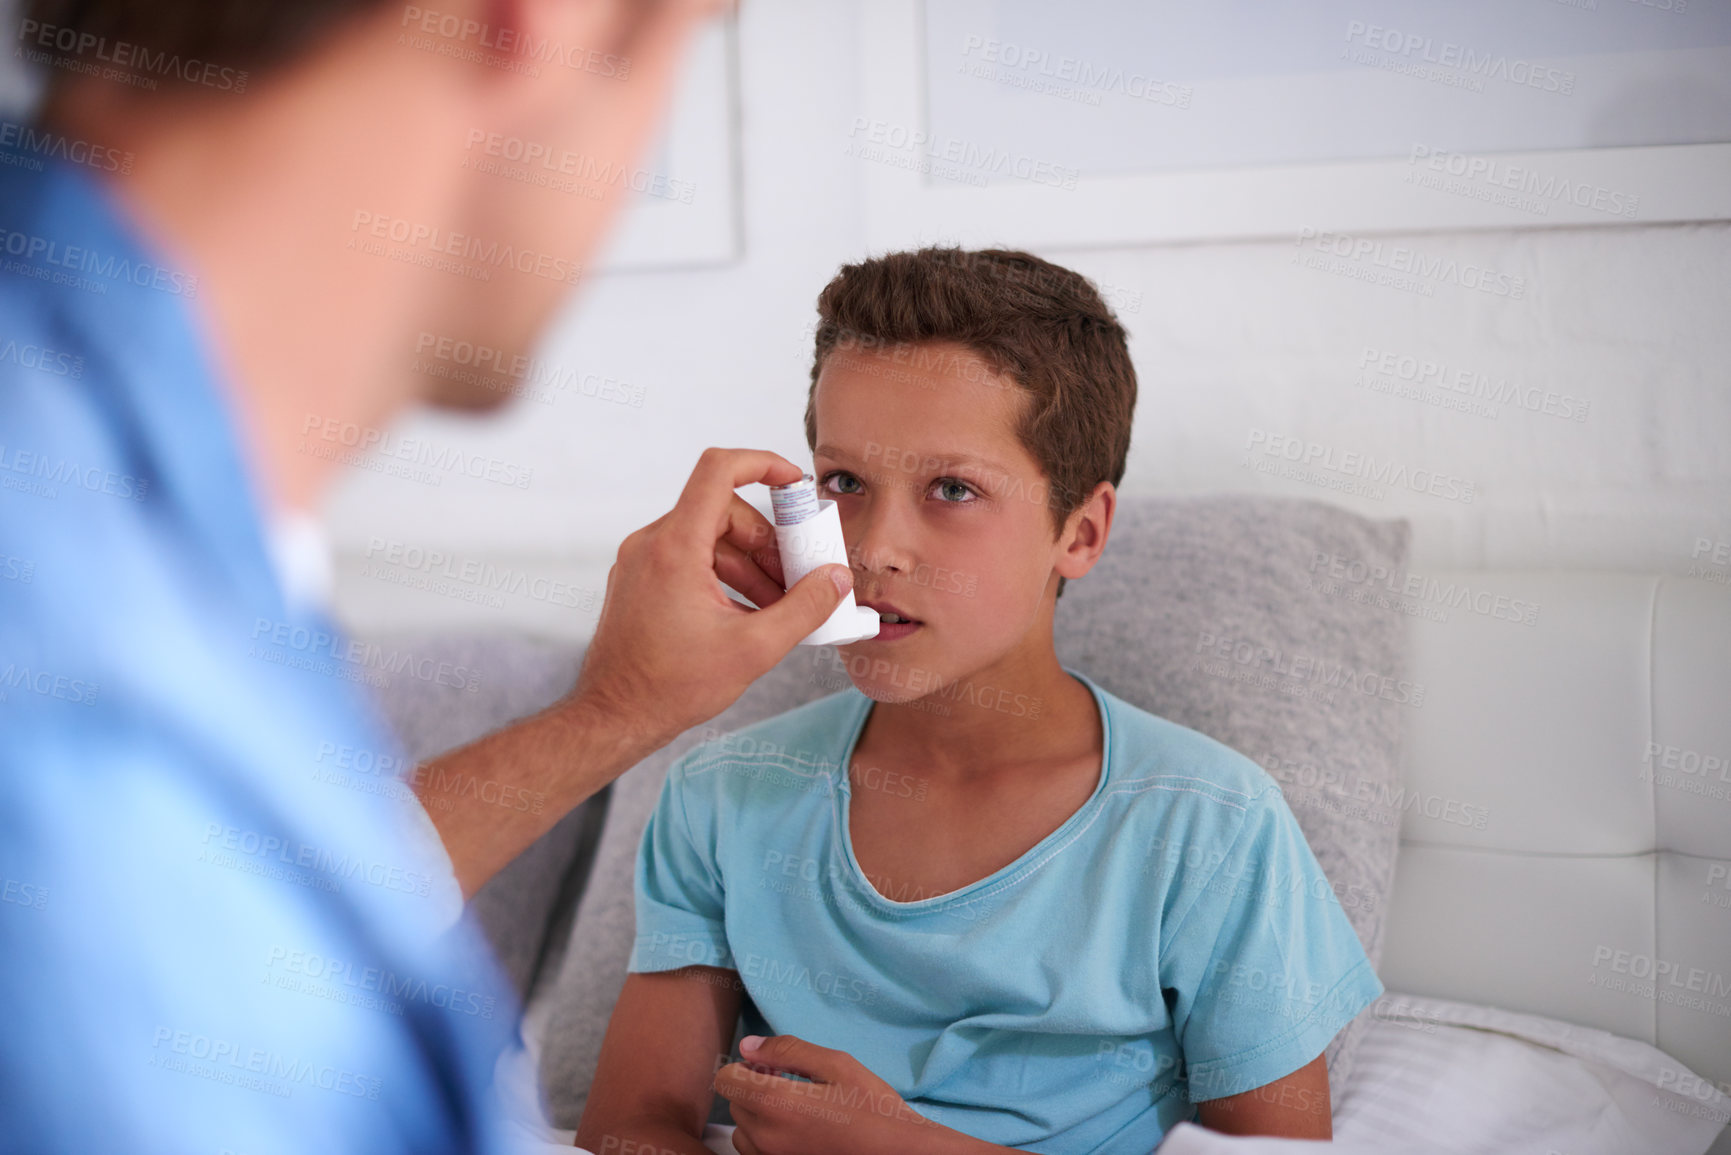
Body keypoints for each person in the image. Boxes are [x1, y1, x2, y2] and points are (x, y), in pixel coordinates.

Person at [0, 1, 854, 1152]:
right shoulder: (92, 713)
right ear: (539, 22)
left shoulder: (134, 519)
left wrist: (619, 709)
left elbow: (265, 889)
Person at [575, 249, 1384, 1155]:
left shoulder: (1210, 828)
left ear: (1078, 533)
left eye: (952, 489)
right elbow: (630, 1126)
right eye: (843, 482)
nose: (876, 548)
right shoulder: (718, 795)